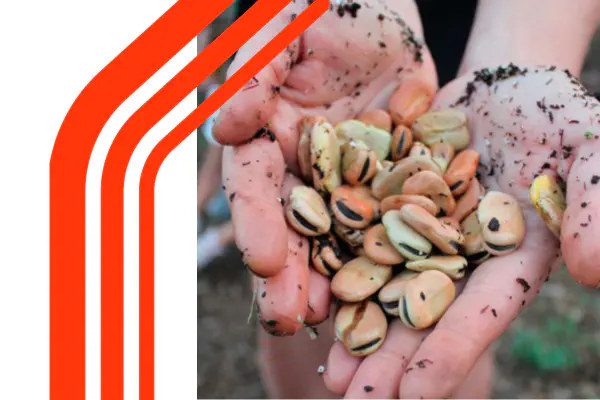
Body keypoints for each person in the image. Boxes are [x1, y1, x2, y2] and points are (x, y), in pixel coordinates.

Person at [212, 0, 600, 398]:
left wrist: (527, 48)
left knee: (451, 330)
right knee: (299, 291)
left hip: (463, 46)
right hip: (336, 55)